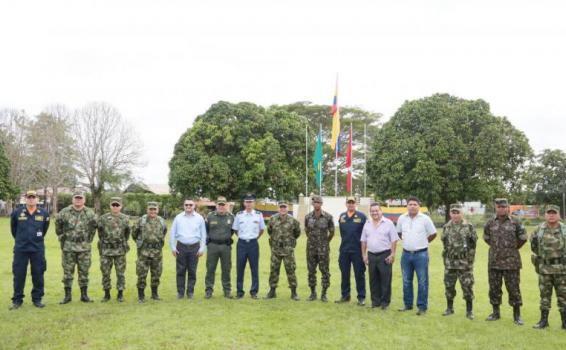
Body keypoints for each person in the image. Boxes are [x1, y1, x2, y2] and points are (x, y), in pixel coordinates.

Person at [484, 198, 527, 325]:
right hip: (494, 261)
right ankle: (495, 313)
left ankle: (517, 315)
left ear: (508, 208)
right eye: (499, 207)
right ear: (495, 208)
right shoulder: (490, 222)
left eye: (504, 207)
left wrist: (511, 249)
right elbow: (487, 238)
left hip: (511, 262)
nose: (501, 209)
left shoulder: (516, 222)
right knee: (494, 288)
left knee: (513, 288)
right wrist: (497, 248)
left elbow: (523, 238)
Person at [9, 190, 50, 310]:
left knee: (38, 274)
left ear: (37, 199)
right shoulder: (17, 212)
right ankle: (17, 300)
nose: (31, 199)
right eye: (29, 197)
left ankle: (37, 299)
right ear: (25, 199)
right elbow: (13, 229)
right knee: (19, 275)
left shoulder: (44, 213)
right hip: (21, 249)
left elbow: (44, 230)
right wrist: (21, 240)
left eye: (33, 197)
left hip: (37, 249)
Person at [397, 196, 437, 315]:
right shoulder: (402, 218)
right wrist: (407, 241)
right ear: (407, 206)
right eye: (410, 204)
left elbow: (433, 234)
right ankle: (408, 304)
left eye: (415, 204)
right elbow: (399, 232)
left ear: (419, 206)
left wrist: (424, 242)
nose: (412, 206)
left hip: (421, 255)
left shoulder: (425, 219)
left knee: (422, 281)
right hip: (406, 254)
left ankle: (422, 307)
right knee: (406, 280)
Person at [56, 191, 97, 304]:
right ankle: (67, 296)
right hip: (69, 247)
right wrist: (63, 239)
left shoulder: (90, 213)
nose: (78, 200)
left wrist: (87, 240)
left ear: (84, 200)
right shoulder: (64, 212)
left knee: (84, 272)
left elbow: (94, 228)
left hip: (84, 248)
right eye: (76, 198)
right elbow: (58, 227)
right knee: (67, 272)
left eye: (80, 198)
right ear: (72, 199)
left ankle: (84, 296)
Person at [531, 204, 566, 330]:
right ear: (545, 215)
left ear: (559, 215)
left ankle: (564, 322)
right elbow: (534, 246)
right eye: (549, 213)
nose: (551, 215)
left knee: (563, 296)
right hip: (545, 268)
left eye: (554, 213)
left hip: (562, 269)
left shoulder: (564, 229)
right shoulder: (538, 230)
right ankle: (543, 321)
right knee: (544, 296)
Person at [441, 203, 477, 319]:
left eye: (458, 212)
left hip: (464, 263)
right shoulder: (446, 227)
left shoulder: (469, 226)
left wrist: (469, 261)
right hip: (450, 263)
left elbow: (473, 244)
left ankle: (469, 311)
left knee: (467, 286)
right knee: (449, 286)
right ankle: (449, 308)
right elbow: (445, 244)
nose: (455, 215)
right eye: (453, 212)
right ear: (450, 213)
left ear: (462, 213)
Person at [361, 203, 399, 310]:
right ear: (370, 212)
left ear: (381, 211)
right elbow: (363, 241)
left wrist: (392, 254)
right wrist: (364, 255)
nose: (374, 213)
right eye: (372, 211)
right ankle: (375, 302)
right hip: (371, 255)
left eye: (376, 210)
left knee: (385, 280)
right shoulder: (367, 223)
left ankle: (384, 303)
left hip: (385, 255)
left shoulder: (388, 223)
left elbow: (394, 239)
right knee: (373, 280)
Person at [170, 198, 207, 299]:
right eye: (186, 205)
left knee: (192, 271)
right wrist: (173, 247)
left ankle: (190, 292)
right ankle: (180, 292)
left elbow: (204, 234)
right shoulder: (178, 218)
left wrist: (202, 248)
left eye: (190, 205)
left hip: (194, 247)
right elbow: (172, 233)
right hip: (181, 247)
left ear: (194, 206)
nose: (188, 207)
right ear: (184, 206)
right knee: (180, 270)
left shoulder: (199, 218)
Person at [265, 201, 301, 300]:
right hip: (276, 250)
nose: (282, 209)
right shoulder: (273, 219)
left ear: (287, 208)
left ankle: (294, 292)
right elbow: (269, 231)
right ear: (278, 208)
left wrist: (289, 242)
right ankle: (272, 291)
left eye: (284, 207)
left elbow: (297, 233)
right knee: (274, 270)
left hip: (288, 250)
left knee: (291, 270)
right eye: (281, 207)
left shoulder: (293, 220)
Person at [132, 202, 167, 303]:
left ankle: (154, 294)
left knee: (156, 273)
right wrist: (141, 244)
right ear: (147, 210)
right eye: (150, 209)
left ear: (157, 210)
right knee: (142, 273)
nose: (152, 211)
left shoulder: (161, 221)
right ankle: (141, 296)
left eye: (154, 209)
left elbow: (164, 232)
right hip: (143, 252)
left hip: (157, 252)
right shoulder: (141, 221)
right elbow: (134, 233)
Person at [232, 193, 265, 299]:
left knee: (254, 268)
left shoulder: (258, 215)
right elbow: (236, 229)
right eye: (247, 202)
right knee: (240, 268)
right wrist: (242, 237)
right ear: (244, 203)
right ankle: (239, 292)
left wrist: (254, 238)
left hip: (253, 244)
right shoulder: (239, 215)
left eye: (250, 202)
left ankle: (254, 292)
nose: (249, 204)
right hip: (241, 244)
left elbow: (262, 229)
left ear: (254, 203)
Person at [97, 197, 130, 302]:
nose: (115, 207)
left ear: (121, 206)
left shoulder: (125, 218)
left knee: (120, 273)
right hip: (106, 250)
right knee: (105, 273)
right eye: (113, 205)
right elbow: (100, 232)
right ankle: (107, 294)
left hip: (120, 250)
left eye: (117, 205)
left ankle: (120, 294)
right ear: (110, 206)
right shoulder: (103, 218)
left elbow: (127, 233)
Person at [335, 196, 367, 306]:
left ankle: (361, 297)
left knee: (359, 274)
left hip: (357, 250)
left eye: (352, 202)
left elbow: (366, 234)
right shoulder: (342, 216)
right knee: (344, 274)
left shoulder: (362, 217)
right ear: (346, 204)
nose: (351, 204)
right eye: (349, 202)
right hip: (344, 250)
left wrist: (364, 251)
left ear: (356, 204)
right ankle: (345, 296)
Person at [304, 195, 334, 302]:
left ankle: (324, 294)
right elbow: (307, 231)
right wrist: (313, 241)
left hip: (323, 249)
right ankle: (313, 293)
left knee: (325, 271)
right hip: (311, 249)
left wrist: (325, 242)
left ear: (321, 204)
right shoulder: (308, 217)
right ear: (312, 204)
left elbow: (332, 232)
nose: (316, 204)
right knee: (311, 271)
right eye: (315, 202)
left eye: (318, 202)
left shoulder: (328, 217)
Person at [205, 196, 235, 299]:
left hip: (226, 246)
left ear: (226, 205)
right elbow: (206, 230)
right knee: (210, 268)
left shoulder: (231, 217)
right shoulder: (210, 216)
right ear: (216, 205)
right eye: (219, 205)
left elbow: (232, 231)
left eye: (223, 205)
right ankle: (209, 291)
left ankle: (227, 291)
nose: (221, 207)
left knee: (226, 269)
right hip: (212, 246)